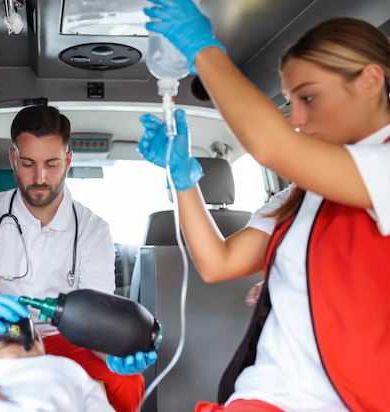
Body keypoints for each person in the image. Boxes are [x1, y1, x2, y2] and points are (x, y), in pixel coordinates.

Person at [138, 2, 390, 412]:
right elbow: (218, 263)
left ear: (370, 81)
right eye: (290, 102)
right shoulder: (299, 195)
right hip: (263, 398)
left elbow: (272, 146)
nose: (295, 119)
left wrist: (202, 48)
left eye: (309, 97)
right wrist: (182, 178)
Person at [0, 105, 156, 412]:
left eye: (51, 164)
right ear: (13, 159)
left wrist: (114, 355)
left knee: (126, 382)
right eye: (28, 164)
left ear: (68, 160)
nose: (39, 178)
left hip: (68, 342)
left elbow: (96, 322)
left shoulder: (94, 230)